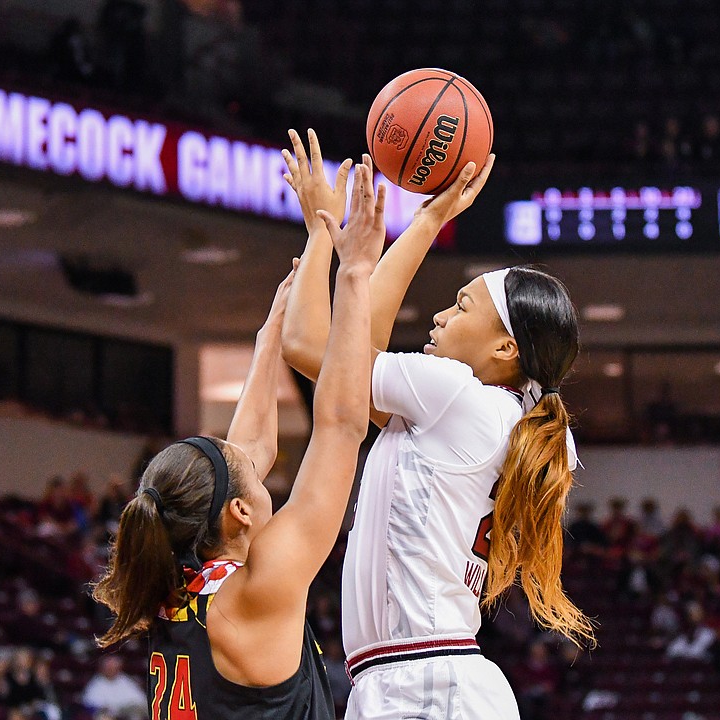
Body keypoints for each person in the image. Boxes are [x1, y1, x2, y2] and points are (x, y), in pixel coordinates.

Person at [280, 129, 591, 719]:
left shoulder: (459, 399)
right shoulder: (507, 416)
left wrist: (330, 226)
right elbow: (351, 356)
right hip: (427, 678)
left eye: (463, 305)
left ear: (505, 348)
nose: (444, 314)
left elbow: (310, 346)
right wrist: (429, 216)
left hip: (421, 682)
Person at [92, 159, 381, 719]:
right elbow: (343, 425)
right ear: (240, 512)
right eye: (253, 472)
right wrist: (353, 273)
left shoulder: (179, 592)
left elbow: (248, 450)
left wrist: (270, 332)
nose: (261, 464)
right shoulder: (257, 591)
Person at [80, 656, 148, 720]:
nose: (111, 670)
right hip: (107, 712)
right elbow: (90, 702)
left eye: (114, 668)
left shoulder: (124, 679)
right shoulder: (96, 683)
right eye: (109, 668)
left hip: (126, 709)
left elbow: (139, 698)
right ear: (103, 669)